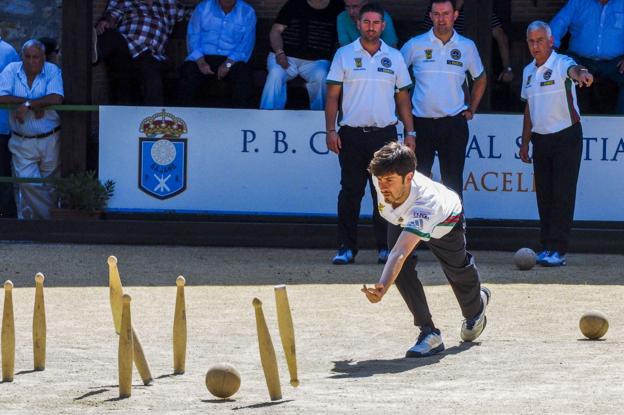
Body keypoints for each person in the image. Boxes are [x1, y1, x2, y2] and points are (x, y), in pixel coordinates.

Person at [362, 142, 490, 357]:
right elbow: (398, 257)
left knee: (457, 270)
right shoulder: (381, 175)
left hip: (444, 221)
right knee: (399, 270)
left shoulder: (426, 203)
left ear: (409, 177)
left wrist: (382, 287)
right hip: (401, 217)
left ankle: (476, 307)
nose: (382, 186)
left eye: (389, 180)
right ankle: (429, 333)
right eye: (380, 179)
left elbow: (399, 252)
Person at [325, 2, 414, 265]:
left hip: (384, 135)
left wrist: (411, 132)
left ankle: (385, 249)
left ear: (383, 26)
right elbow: (332, 97)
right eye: (366, 22)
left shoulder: (395, 57)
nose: (371, 27)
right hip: (351, 134)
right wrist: (330, 129)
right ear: (359, 24)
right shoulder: (343, 54)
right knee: (350, 192)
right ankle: (346, 248)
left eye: (376, 23)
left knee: (385, 194)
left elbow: (403, 99)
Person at [519, 21, 593, 267]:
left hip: (566, 136)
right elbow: (529, 108)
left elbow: (575, 70)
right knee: (545, 196)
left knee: (562, 194)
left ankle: (558, 250)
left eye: (540, 40)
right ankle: (546, 247)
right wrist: (525, 142)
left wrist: (582, 74)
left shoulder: (562, 63)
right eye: (531, 41)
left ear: (551, 41)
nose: (535, 45)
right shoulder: (527, 71)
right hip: (541, 139)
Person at [401, 0, 487, 200]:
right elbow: (395, 78)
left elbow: (481, 79)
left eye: (446, 13)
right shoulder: (415, 44)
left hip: (453, 123)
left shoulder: (467, 46)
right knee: (418, 182)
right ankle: (418, 230)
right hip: (421, 123)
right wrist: (401, 112)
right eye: (437, 14)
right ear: (430, 16)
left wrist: (472, 108)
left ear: (455, 15)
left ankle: (455, 231)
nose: (441, 19)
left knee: (453, 182)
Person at [0, 39, 64, 220]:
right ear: (22, 57)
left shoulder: (52, 70)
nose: (31, 61)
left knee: (51, 185)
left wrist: (29, 104)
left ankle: (33, 225)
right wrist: (29, 103)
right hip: (22, 139)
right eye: (27, 57)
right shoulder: (12, 70)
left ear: (43, 57)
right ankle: (47, 223)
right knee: (29, 184)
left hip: (50, 138)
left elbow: (56, 98)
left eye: (35, 57)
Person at [95, 0, 186, 105]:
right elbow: (112, 15)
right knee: (111, 35)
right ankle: (94, 53)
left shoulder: (170, 4)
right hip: (127, 46)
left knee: (151, 78)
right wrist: (106, 22)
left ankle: (154, 118)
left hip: (151, 55)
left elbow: (195, 13)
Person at [260, 0, 343, 110]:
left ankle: (320, 117)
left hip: (317, 61)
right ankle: (267, 115)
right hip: (285, 57)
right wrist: (279, 52)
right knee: (276, 74)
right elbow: (275, 31)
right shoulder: (294, 4)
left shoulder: (337, 6)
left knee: (322, 76)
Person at [177, 0, 256, 108]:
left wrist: (228, 64)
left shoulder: (247, 12)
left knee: (243, 74)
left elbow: (245, 45)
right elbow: (193, 36)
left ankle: (239, 119)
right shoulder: (203, 8)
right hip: (203, 58)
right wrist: (200, 62)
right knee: (188, 71)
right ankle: (185, 117)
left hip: (231, 60)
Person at [550, 0, 624, 114]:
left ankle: (620, 124)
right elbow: (558, 24)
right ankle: (565, 122)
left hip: (614, 63)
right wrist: (550, 50)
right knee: (560, 69)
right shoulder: (577, 2)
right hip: (579, 60)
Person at [421, 0, 514, 83]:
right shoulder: (437, 9)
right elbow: (425, 38)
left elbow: (501, 36)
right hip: (437, 66)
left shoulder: (479, 9)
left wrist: (507, 68)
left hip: (469, 67)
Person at [0, 36, 19, 218]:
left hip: (2, 124)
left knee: (3, 171)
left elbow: (16, 85)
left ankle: (8, 216)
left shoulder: (6, 51)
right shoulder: (8, 50)